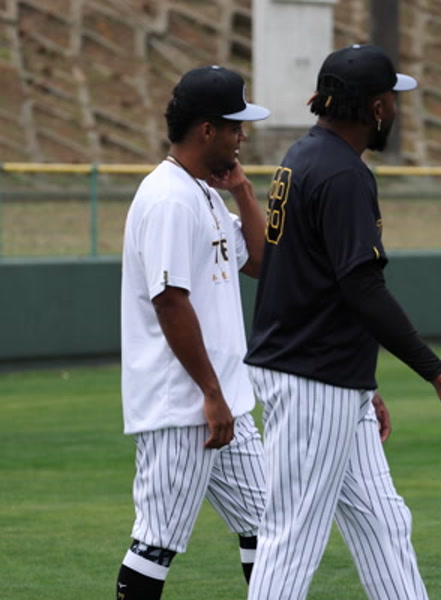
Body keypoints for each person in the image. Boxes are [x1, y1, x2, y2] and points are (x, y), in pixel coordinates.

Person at [244, 43, 441, 600]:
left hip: (327, 374)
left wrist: (362, 381)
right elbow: (362, 288)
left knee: (384, 523)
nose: (396, 110)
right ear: (376, 108)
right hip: (311, 378)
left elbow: (310, 277)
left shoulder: (303, 155)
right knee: (293, 539)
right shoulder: (342, 174)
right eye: (392, 99)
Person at [116, 65, 270, 600]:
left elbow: (260, 263)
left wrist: (243, 189)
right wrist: (210, 392)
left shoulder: (203, 191)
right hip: (183, 405)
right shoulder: (168, 198)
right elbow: (169, 301)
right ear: (207, 129)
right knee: (156, 542)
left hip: (225, 401)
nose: (242, 136)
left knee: (269, 526)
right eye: (235, 126)